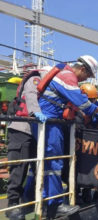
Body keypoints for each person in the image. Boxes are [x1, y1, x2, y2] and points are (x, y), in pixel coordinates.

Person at [38, 55, 98, 218]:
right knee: (53, 164)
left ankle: (47, 202)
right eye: (88, 75)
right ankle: (53, 205)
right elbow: (82, 103)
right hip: (50, 123)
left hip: (53, 122)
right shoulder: (68, 77)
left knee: (53, 163)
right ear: (83, 69)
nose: (86, 79)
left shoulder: (64, 74)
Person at [5, 66, 51, 220]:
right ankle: (13, 206)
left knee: (39, 169)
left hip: (36, 131)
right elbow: (31, 95)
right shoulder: (36, 79)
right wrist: (35, 112)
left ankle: (38, 202)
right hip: (21, 130)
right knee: (19, 168)